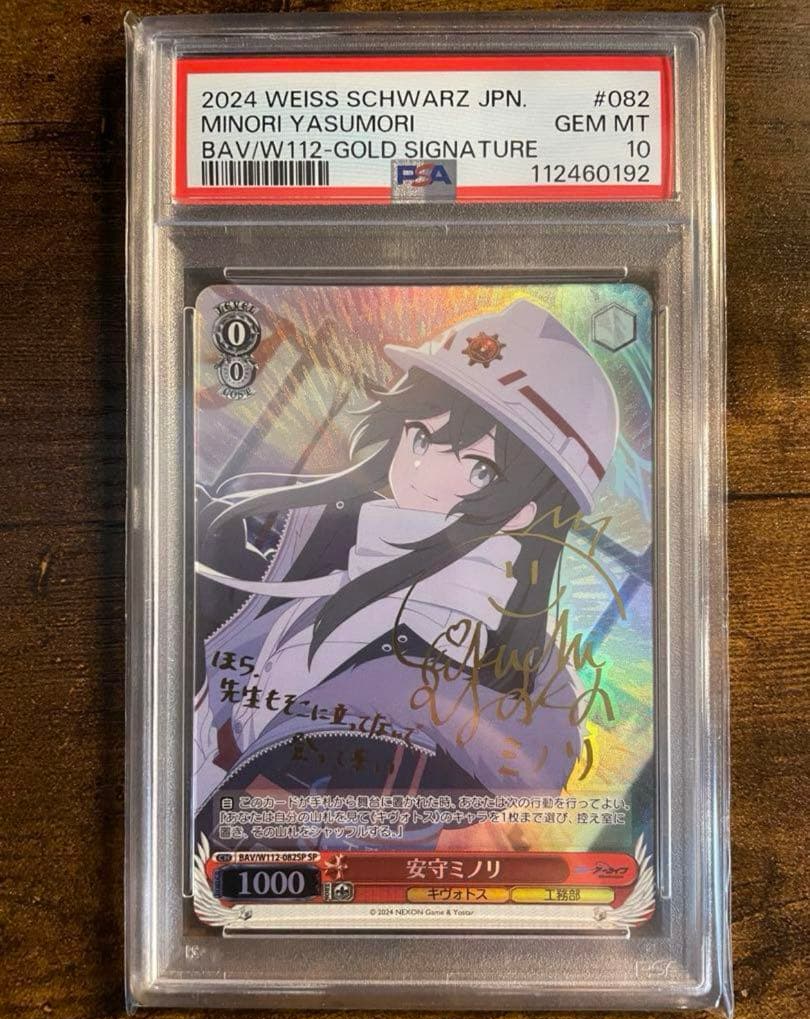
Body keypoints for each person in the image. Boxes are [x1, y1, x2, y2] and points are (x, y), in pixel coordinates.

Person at [193, 297, 619, 850]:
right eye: (420, 435)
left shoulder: (477, 690)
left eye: (477, 466)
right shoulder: (318, 537)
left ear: (526, 511)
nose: (419, 469)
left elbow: (309, 839)